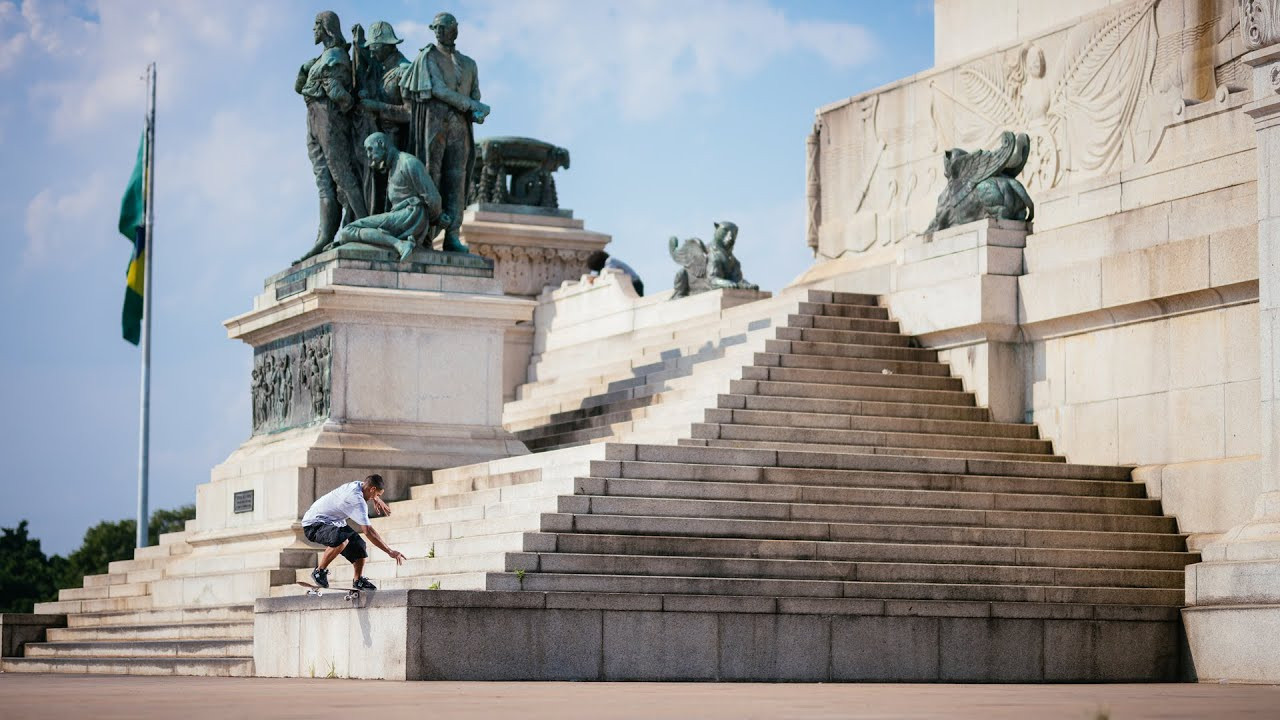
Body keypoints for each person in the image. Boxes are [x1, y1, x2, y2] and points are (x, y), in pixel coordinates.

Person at [399, 12, 490, 252]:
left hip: (461, 130)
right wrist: (471, 105)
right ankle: (425, 235)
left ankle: (452, 236)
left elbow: (475, 95)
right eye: (436, 28)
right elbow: (438, 89)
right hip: (434, 125)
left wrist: (478, 112)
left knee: (457, 181)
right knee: (431, 177)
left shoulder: (469, 64)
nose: (439, 31)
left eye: (444, 27)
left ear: (455, 29)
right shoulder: (428, 57)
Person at [296, 11, 369, 263]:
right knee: (324, 180)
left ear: (327, 28)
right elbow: (299, 87)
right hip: (314, 120)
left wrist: (334, 89)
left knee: (341, 174)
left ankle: (364, 224)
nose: (313, 30)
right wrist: (306, 69)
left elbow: (346, 100)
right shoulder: (321, 59)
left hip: (330, 120)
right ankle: (324, 236)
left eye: (316, 25)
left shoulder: (337, 57)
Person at [329, 132, 447, 262]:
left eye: (370, 149)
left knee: (348, 230)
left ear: (381, 143)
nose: (368, 155)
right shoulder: (394, 166)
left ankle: (399, 244)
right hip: (404, 216)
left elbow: (433, 197)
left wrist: (436, 217)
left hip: (410, 215)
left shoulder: (408, 162)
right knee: (346, 233)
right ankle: (396, 243)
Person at [302, 473, 404, 590]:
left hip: (333, 522)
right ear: (372, 489)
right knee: (341, 540)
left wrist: (376, 498)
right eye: (377, 494)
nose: (374, 498)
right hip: (314, 524)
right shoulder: (357, 501)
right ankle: (319, 571)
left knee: (359, 545)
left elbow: (368, 487)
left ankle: (358, 580)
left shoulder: (358, 485)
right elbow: (368, 531)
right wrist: (389, 551)